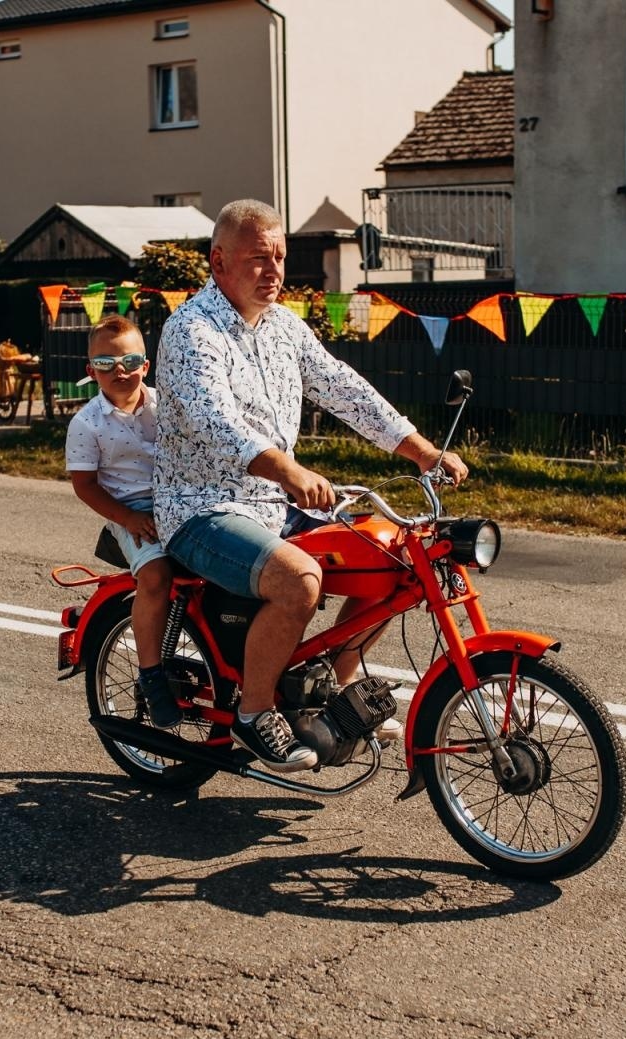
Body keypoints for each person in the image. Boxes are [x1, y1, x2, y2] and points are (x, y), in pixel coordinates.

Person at [155, 199, 468, 773]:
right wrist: (289, 470)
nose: (273, 271)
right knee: (300, 582)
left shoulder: (283, 326)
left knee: (391, 556)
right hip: (202, 508)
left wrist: (421, 450)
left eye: (279, 257)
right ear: (218, 260)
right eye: (257, 259)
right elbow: (214, 421)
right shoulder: (191, 330)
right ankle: (254, 715)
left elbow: (343, 388)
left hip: (274, 502)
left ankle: (335, 685)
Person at [64, 314, 182, 728]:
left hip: (179, 500)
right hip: (129, 511)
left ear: (145, 366)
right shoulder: (86, 423)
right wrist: (128, 517)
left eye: (130, 361)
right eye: (106, 363)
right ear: (90, 370)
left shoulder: (166, 405)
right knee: (155, 575)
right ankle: (151, 675)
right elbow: (85, 485)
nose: (120, 371)